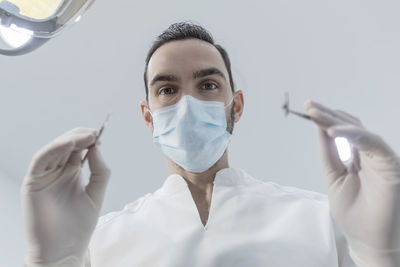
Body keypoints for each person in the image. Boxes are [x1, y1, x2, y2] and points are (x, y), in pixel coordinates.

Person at [21, 22, 400, 267]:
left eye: (207, 85)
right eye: (167, 89)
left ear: (235, 106)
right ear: (148, 115)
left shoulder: (320, 220)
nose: (188, 104)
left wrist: (380, 255)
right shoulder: (99, 244)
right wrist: (51, 261)